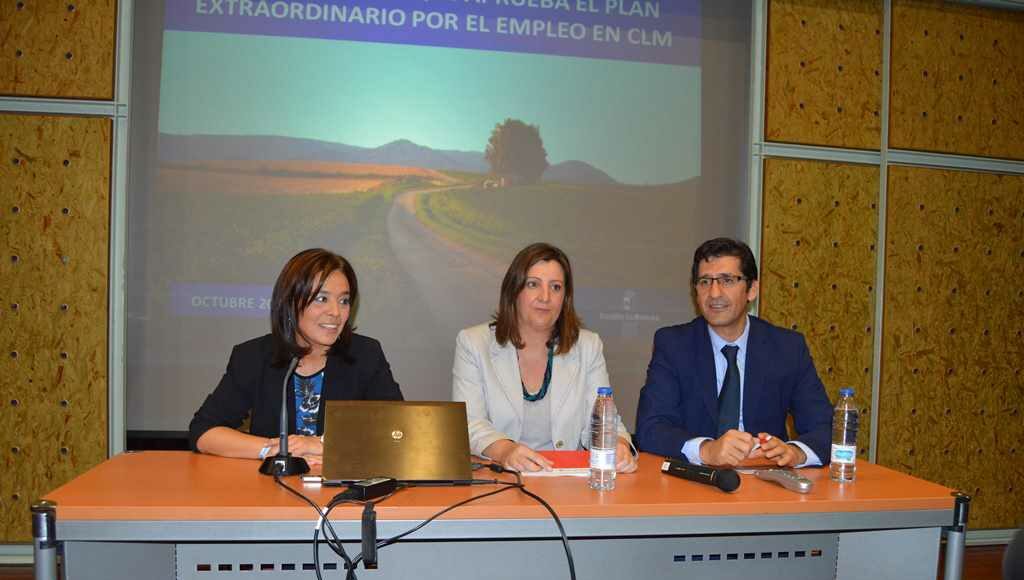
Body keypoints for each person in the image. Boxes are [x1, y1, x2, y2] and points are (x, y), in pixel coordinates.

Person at [189, 248, 403, 466]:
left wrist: (324, 445)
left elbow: (398, 432)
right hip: (272, 484)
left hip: (340, 484)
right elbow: (204, 431)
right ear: (290, 302)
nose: (336, 312)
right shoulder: (254, 356)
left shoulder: (365, 354)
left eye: (344, 301)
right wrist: (275, 449)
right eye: (321, 298)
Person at [635, 237, 833, 468]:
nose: (714, 293)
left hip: (766, 477)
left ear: (752, 290)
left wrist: (796, 453)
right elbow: (651, 428)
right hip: (696, 479)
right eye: (705, 281)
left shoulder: (787, 347)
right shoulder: (674, 344)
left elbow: (825, 427)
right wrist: (706, 450)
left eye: (727, 280)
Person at [452, 242, 637, 473]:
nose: (545, 297)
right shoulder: (473, 343)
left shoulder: (588, 346)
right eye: (533, 284)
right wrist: (506, 451)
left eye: (556, 287)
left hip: (568, 480)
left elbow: (603, 421)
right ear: (514, 291)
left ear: (565, 298)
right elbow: (469, 423)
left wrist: (618, 445)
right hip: (502, 478)